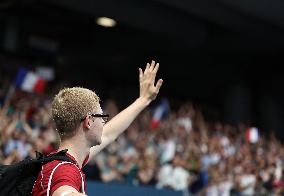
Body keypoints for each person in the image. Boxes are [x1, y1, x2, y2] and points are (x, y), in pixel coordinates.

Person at [32, 60, 163, 196]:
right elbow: (65, 192)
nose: (104, 122)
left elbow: (108, 134)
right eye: (101, 116)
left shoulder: (63, 160)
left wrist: (143, 100)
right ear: (88, 122)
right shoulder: (64, 169)